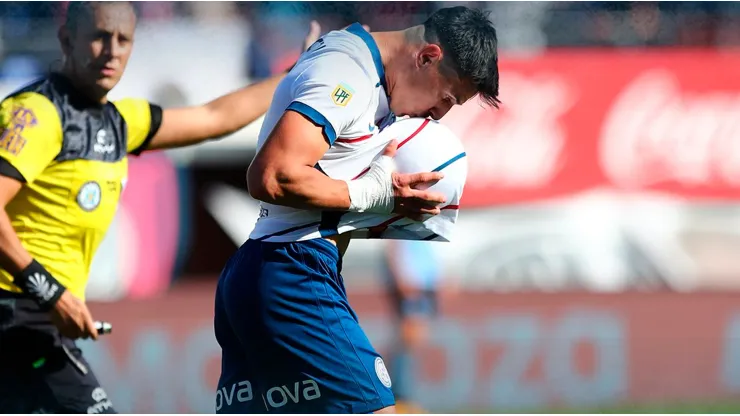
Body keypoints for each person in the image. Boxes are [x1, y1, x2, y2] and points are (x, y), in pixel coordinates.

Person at [0, 1, 321, 413]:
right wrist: (50, 293)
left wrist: (293, 78)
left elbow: (213, 117)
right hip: (18, 312)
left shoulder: (117, 121)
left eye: (123, 39)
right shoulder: (38, 114)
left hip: (37, 318)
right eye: (99, 36)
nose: (112, 50)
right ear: (66, 38)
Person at [214, 6, 499, 414]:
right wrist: (373, 195)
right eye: (448, 97)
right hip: (292, 274)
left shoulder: (359, 64)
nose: (439, 114)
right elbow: (272, 175)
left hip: (269, 269)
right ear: (427, 56)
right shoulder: (349, 73)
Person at [382, 240, 445, 413]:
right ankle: (398, 395)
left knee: (413, 339)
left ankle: (399, 394)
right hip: (413, 282)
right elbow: (394, 242)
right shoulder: (408, 219)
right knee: (408, 337)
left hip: (423, 284)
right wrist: (401, 275)